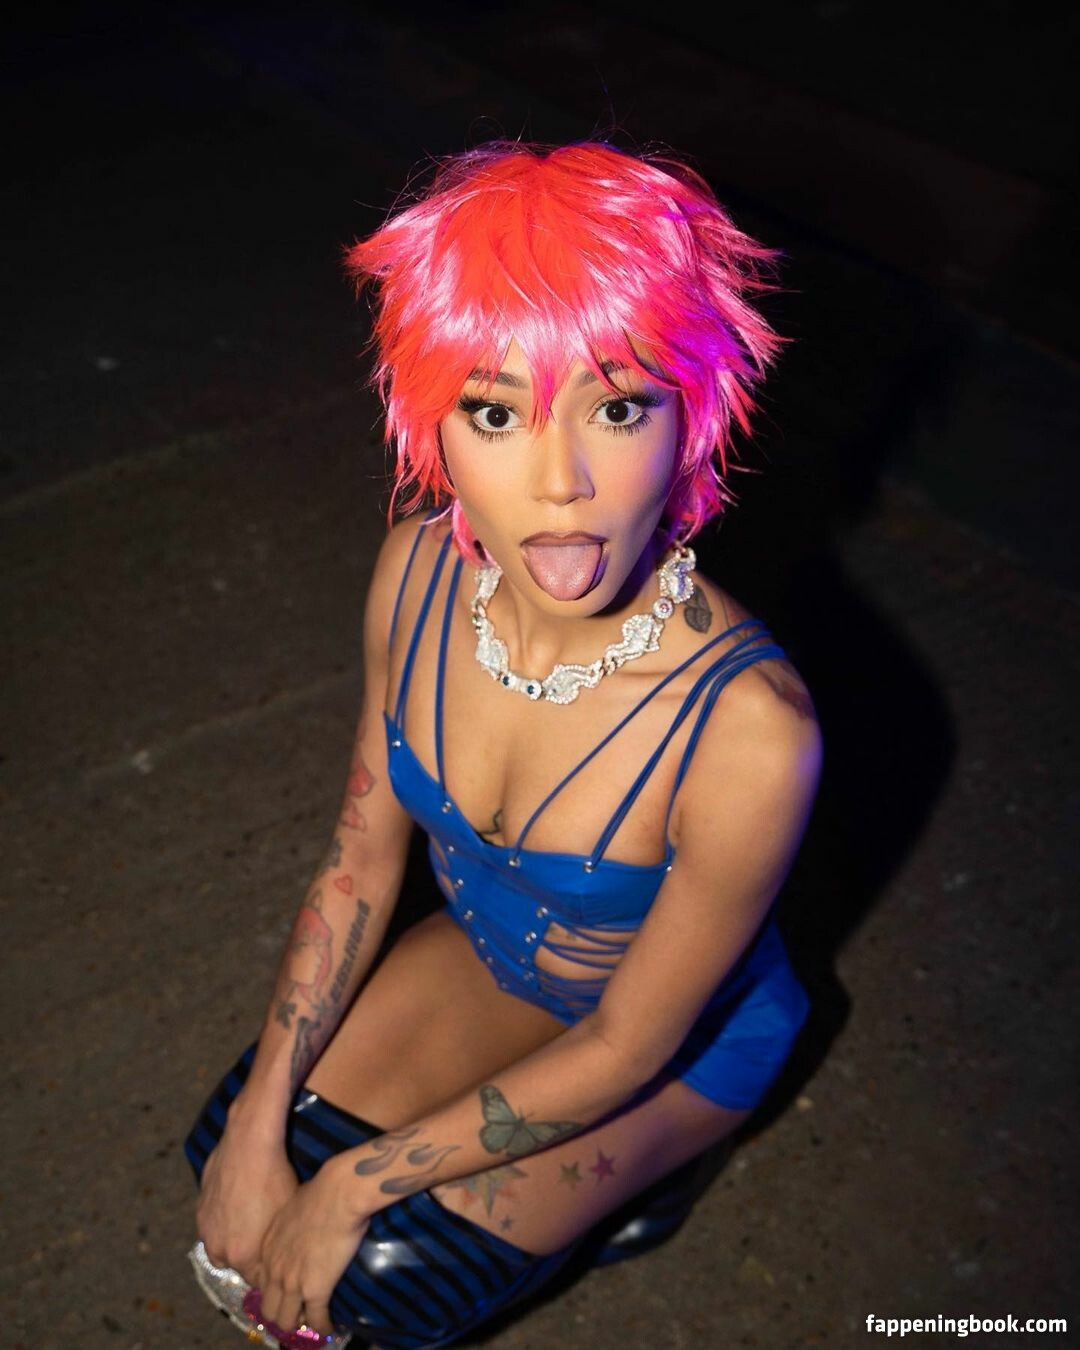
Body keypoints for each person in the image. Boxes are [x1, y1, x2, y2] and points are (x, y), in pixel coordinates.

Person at [185, 138, 821, 1350]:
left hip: (668, 1045)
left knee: (377, 1277)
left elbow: (627, 1041)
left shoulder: (750, 731)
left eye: (618, 407)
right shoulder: (415, 574)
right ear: (432, 419)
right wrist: (263, 1127)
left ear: (691, 416)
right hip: (491, 967)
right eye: (494, 410)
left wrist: (346, 1190)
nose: (560, 481)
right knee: (227, 1151)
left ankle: (664, 1174)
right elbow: (359, 863)